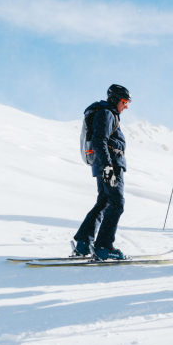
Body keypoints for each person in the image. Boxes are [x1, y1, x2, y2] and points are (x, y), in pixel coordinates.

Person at [73, 84, 131, 260]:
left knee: (104, 202)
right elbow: (99, 140)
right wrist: (108, 168)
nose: (126, 106)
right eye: (124, 102)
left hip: (105, 164)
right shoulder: (107, 113)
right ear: (115, 100)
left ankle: (83, 243)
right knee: (116, 203)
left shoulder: (107, 113)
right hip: (109, 165)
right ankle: (104, 247)